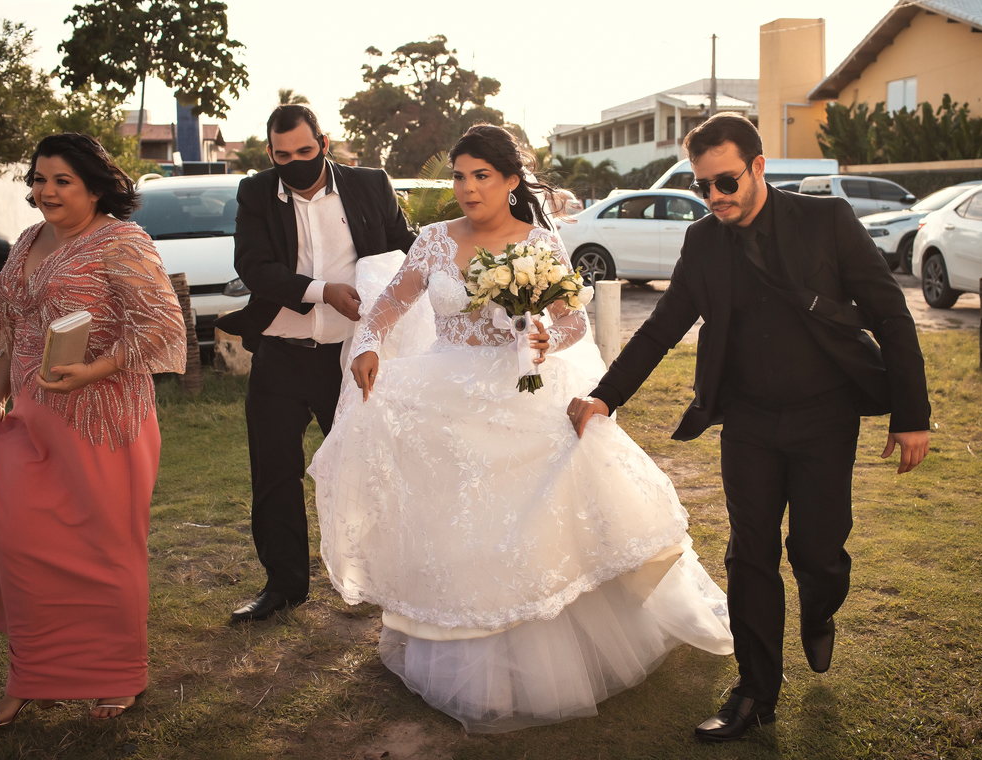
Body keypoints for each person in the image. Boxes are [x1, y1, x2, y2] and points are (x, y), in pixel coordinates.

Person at [308, 124, 733, 733]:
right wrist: (369, 344)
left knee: (531, 519)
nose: (468, 188)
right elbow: (391, 304)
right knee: (454, 522)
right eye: (459, 175)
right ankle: (458, 647)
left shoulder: (538, 244)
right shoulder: (431, 241)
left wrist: (540, 338)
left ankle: (547, 649)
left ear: (510, 181)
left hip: (521, 393)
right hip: (444, 393)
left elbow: (573, 326)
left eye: (482, 175)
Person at [567, 113, 931, 743]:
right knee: (749, 554)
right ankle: (756, 691)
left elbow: (891, 315)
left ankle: (820, 608)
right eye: (704, 187)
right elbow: (662, 326)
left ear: (759, 167)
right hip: (748, 422)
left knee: (818, 553)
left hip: (826, 417)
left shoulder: (826, 221)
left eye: (726, 182)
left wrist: (912, 416)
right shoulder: (703, 242)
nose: (715, 198)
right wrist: (604, 396)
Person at [0, 133, 186, 727]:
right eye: (39, 179)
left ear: (95, 186)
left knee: (105, 555)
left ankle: (117, 678)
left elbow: (161, 325)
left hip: (102, 423)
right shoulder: (25, 242)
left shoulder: (122, 242)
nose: (46, 192)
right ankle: (32, 676)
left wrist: (93, 369)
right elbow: (9, 330)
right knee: (9, 551)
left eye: (62, 180)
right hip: (28, 422)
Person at [215, 105, 416, 623]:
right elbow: (255, 267)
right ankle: (283, 587)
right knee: (275, 473)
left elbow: (404, 250)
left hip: (350, 361)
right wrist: (324, 292)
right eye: (283, 156)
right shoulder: (256, 193)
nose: (296, 162)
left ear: (324, 143)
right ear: (270, 154)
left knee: (367, 467)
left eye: (305, 152)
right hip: (282, 354)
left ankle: (386, 578)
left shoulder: (371, 185)